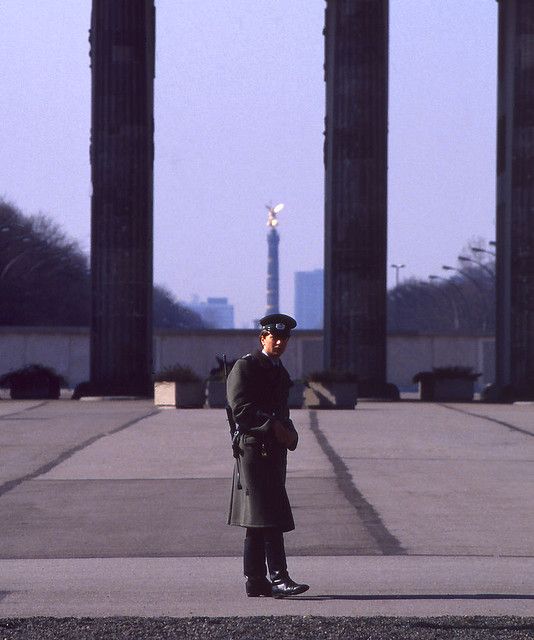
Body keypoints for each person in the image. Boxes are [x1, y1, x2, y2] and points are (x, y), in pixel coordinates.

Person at [226, 313, 309, 598]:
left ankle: (255, 581)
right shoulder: (246, 366)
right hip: (252, 449)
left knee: (258, 518)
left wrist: (290, 434)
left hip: (273, 451)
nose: (280, 343)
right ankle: (279, 578)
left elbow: (283, 412)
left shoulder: (279, 372)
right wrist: (272, 426)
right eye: (275, 338)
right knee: (270, 513)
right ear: (263, 338)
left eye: (285, 339)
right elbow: (241, 409)